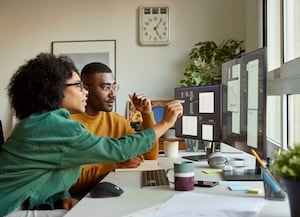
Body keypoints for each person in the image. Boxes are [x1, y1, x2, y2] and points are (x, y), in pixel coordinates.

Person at [0, 53, 183, 216]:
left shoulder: (43, 122)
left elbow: (48, 175)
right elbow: (118, 149)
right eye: (79, 85)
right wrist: (165, 123)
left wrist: (62, 198)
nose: (85, 91)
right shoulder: (53, 125)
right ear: (56, 89)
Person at [70, 62, 158, 196]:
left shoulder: (117, 121)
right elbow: (72, 182)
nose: (113, 94)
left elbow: (149, 155)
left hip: (111, 187)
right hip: (80, 196)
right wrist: (116, 164)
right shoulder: (69, 123)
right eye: (106, 87)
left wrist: (146, 114)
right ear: (86, 89)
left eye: (114, 87)